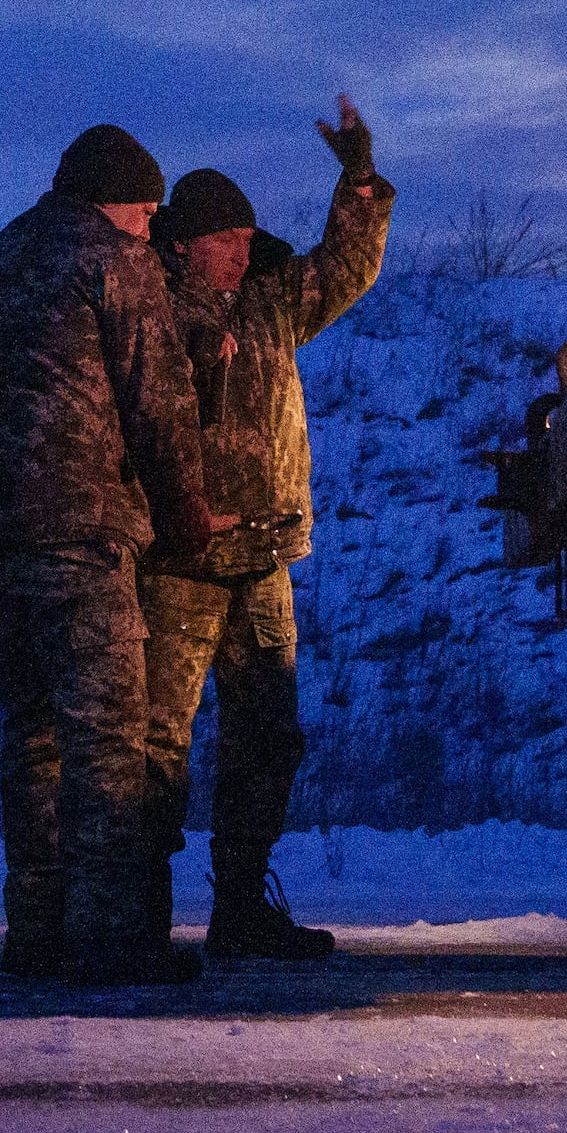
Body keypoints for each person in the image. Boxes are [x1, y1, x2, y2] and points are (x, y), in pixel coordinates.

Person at [0, 121, 221, 985]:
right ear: (120, 201)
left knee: (31, 736)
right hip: (81, 531)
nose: (152, 230)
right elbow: (161, 406)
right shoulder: (114, 259)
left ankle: (37, 928)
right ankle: (107, 935)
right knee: (107, 739)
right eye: (148, 213)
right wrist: (188, 523)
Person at [140, 95, 394, 963]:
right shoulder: (151, 312)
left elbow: (345, 267)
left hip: (264, 559)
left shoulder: (270, 304)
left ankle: (241, 903)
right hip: (182, 559)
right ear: (182, 243)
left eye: (249, 240)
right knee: (158, 741)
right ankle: (135, 910)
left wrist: (358, 179)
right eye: (226, 241)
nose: (244, 252)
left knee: (269, 738)